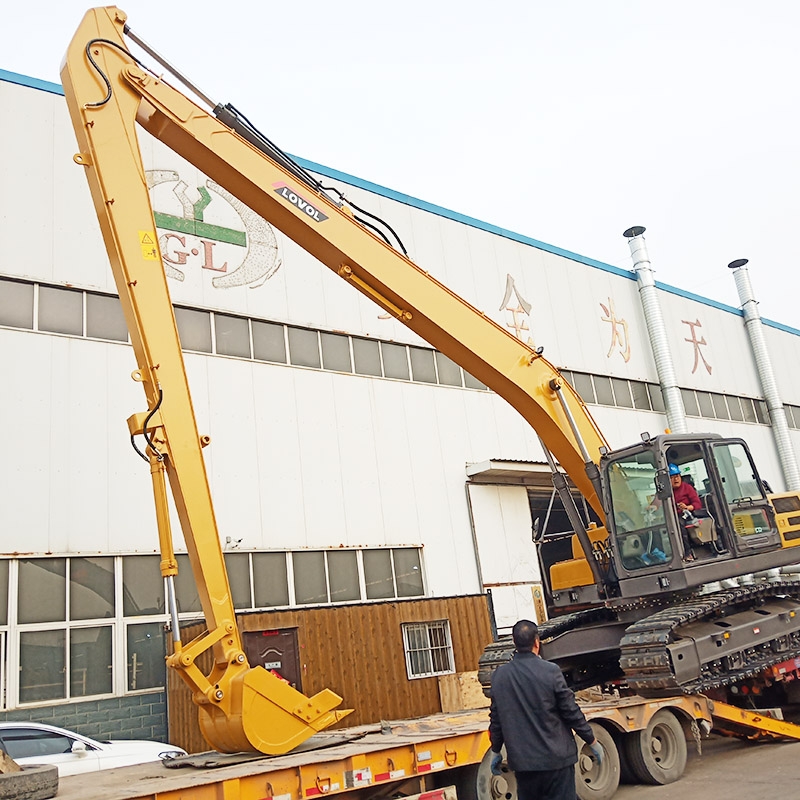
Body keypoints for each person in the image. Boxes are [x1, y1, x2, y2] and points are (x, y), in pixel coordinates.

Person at [488, 620, 601, 800]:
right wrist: (592, 740)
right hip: (556, 760)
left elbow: (496, 719)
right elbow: (570, 711)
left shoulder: (500, 675)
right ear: (536, 642)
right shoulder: (551, 671)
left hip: (524, 764)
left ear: (515, 643)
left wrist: (495, 749)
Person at [667, 463, 703, 560]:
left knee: (678, 525)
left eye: (677, 476)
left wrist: (687, 507)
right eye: (672, 477)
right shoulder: (666, 492)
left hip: (686, 515)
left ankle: (687, 553)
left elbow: (697, 504)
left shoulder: (687, 488)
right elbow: (657, 502)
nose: (676, 479)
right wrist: (652, 507)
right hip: (670, 516)